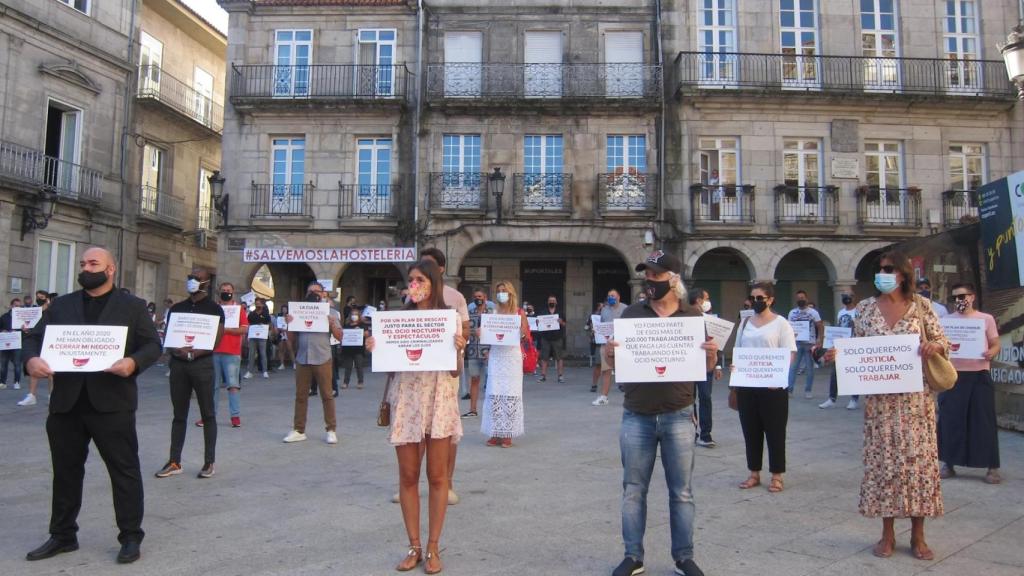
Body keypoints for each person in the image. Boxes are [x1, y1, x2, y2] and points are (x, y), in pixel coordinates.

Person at [22, 247, 161, 564]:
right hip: (67, 405)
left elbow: (153, 344)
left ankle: (129, 537)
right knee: (65, 473)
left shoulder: (132, 306)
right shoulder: (62, 305)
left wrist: (132, 362)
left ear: (110, 269)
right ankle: (62, 535)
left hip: (112, 404)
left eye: (93, 263)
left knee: (124, 472)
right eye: (83, 263)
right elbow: (34, 338)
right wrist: (31, 359)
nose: (86, 268)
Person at [825, 249, 947, 560]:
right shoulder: (865, 309)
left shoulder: (922, 307)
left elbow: (942, 341)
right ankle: (887, 534)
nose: (883, 274)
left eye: (890, 268)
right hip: (879, 405)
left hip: (917, 403)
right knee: (883, 467)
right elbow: (855, 348)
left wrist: (935, 346)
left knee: (918, 467)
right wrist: (837, 355)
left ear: (904, 273)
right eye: (880, 269)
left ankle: (919, 535)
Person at [603, 250, 717, 576]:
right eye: (647, 275)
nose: (650, 281)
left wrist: (711, 355)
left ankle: (684, 557)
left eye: (656, 275)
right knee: (633, 490)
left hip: (679, 414)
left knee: (681, 492)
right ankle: (633, 556)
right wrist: (609, 353)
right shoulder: (631, 315)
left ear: (674, 279)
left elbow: (705, 369)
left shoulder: (693, 316)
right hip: (636, 414)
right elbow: (616, 364)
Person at [366, 259, 466, 575]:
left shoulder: (449, 320)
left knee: (438, 477)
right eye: (411, 280)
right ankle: (414, 546)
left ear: (434, 283)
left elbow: (455, 371)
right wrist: (375, 348)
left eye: (420, 279)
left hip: (439, 398)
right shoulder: (399, 319)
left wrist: (459, 349)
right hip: (408, 399)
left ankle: (434, 546)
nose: (414, 285)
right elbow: (390, 367)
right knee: (408, 477)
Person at [155, 267, 225, 480]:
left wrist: (196, 353)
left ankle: (209, 461)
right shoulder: (177, 308)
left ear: (205, 283)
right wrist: (179, 351)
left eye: (197, 278)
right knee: (179, 414)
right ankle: (174, 460)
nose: (192, 281)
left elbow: (216, 339)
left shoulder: (215, 309)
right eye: (189, 278)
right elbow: (169, 336)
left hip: (202, 365)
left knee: (208, 413)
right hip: (179, 366)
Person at [731, 283, 797, 493]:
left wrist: (778, 375)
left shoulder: (781, 323)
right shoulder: (745, 323)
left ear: (770, 300)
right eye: (753, 297)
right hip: (748, 384)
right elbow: (739, 349)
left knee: (775, 431)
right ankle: (754, 472)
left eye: (760, 298)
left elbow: (790, 353)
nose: (756, 301)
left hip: (773, 386)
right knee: (751, 430)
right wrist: (735, 372)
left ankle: (777, 475)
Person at [938, 282, 1002, 484]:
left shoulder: (985, 319)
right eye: (955, 297)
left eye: (963, 296)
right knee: (950, 420)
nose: (959, 300)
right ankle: (948, 463)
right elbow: (939, 344)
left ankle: (992, 467)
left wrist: (992, 352)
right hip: (953, 375)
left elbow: (995, 343)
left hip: (979, 374)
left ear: (972, 297)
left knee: (984, 421)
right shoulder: (945, 321)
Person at [420, 247, 470, 506]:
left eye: (428, 266)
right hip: (416, 375)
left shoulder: (455, 297)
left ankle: (447, 483)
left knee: (446, 429)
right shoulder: (413, 297)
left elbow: (465, 328)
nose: (422, 272)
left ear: (440, 269)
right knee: (414, 429)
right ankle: (409, 482)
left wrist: (459, 341)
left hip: (445, 372)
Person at [283, 281, 342, 445]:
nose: (313, 294)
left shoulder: (332, 313)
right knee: (301, 395)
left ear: (323, 294)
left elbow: (340, 336)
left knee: (327, 395)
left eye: (317, 291)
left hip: (322, 356)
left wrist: (331, 324)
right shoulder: (298, 311)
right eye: (310, 291)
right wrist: (290, 323)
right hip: (303, 357)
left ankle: (331, 429)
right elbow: (291, 338)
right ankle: (298, 429)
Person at [481, 281, 529, 447]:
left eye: (504, 290)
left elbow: (526, 335)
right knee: (494, 393)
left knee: (510, 394)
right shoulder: (493, 311)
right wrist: (483, 335)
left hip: (512, 357)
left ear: (511, 293)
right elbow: (487, 332)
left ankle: (507, 433)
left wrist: (521, 332)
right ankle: (495, 432)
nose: (501, 293)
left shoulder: (518, 312)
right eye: (499, 291)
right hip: (496, 355)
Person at [206, 282, 248, 428]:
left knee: (233, 385)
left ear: (233, 292)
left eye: (228, 290)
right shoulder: (213, 308)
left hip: (232, 352)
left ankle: (235, 416)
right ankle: (210, 416)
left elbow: (244, 329)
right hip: (214, 351)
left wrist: (227, 330)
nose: (226, 292)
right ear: (219, 292)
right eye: (223, 290)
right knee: (213, 386)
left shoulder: (238, 309)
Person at [687, 288, 723, 446]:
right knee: (689, 400)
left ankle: (706, 433)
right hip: (688, 365)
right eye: (706, 298)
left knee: (706, 398)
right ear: (698, 300)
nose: (709, 301)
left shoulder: (710, 320)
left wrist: (719, 365)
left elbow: (718, 343)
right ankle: (692, 431)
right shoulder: (684, 318)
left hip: (706, 365)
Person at [820, 293, 860, 410]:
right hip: (841, 345)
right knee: (835, 373)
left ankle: (854, 399)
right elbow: (838, 327)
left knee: (853, 373)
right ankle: (831, 398)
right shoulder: (841, 312)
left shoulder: (858, 312)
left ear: (854, 298)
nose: (846, 298)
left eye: (849, 296)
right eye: (844, 296)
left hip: (853, 345)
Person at [462, 289, 495, 418]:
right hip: (474, 351)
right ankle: (473, 409)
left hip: (489, 352)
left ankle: (492, 411)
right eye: (475, 296)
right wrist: (470, 333)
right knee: (474, 379)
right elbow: (464, 330)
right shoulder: (469, 313)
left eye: (480, 296)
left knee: (492, 382)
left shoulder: (493, 313)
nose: (478, 298)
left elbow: (497, 332)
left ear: (485, 297)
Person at [592, 290, 628, 405]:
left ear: (618, 296)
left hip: (621, 344)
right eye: (608, 296)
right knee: (606, 370)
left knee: (626, 371)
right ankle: (604, 397)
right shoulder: (604, 309)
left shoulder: (625, 308)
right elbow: (602, 325)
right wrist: (596, 330)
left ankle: (632, 397)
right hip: (606, 344)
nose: (610, 297)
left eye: (612, 295)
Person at [786, 289, 823, 398]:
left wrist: (820, 339)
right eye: (798, 298)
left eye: (802, 298)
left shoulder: (813, 312)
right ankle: (789, 390)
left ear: (806, 299)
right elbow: (789, 327)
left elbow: (820, 326)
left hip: (809, 344)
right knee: (793, 367)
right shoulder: (792, 312)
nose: (800, 300)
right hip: (795, 343)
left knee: (809, 368)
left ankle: (808, 390)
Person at [19, 291, 52, 406]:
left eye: (41, 297)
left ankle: (51, 395)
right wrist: (26, 329)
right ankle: (31, 395)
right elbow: (29, 326)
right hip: (35, 341)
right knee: (34, 367)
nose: (39, 299)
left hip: (48, 340)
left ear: (47, 298)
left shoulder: (51, 310)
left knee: (51, 369)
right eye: (37, 297)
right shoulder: (34, 312)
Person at [537, 295, 567, 383]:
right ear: (548, 302)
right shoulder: (543, 312)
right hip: (545, 338)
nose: (552, 302)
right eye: (550, 300)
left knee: (559, 357)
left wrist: (561, 322)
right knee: (544, 358)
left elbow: (565, 324)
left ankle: (560, 376)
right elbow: (538, 323)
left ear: (556, 302)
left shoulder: (560, 312)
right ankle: (543, 376)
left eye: (553, 300)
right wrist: (538, 322)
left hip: (557, 338)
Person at [339, 308, 368, 390]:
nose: (354, 316)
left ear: (359, 316)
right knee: (348, 367)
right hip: (348, 350)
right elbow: (343, 335)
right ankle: (345, 382)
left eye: (356, 315)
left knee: (359, 366)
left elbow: (367, 335)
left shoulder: (362, 325)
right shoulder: (347, 325)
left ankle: (360, 382)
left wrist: (360, 332)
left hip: (358, 349)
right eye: (352, 314)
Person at [244, 298, 273, 379]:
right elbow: (248, 324)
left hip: (262, 337)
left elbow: (270, 326)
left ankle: (265, 371)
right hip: (253, 336)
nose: (257, 305)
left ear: (263, 305)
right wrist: (247, 336)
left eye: (259, 303)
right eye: (256, 303)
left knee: (263, 353)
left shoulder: (266, 314)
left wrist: (264, 326)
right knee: (251, 354)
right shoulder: (251, 314)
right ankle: (249, 371)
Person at [0, 298, 24, 391]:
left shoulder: (22, 317)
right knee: (3, 364)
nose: (17, 307)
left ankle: (16, 382)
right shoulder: (4, 317)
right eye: (15, 305)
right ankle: (2, 382)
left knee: (17, 364)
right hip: (5, 343)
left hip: (17, 344)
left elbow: (26, 330)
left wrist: (19, 331)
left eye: (19, 306)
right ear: (11, 306)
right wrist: (3, 330)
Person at [587, 301, 604, 386]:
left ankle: (621, 385)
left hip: (609, 341)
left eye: (603, 307)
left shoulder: (608, 315)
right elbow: (586, 326)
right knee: (598, 364)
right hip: (597, 341)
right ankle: (594, 384)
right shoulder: (592, 316)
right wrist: (590, 328)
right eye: (600, 307)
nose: (602, 308)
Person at [275, 304, 295, 370]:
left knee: (290, 348)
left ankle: (294, 363)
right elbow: (277, 325)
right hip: (281, 333)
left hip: (288, 333)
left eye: (285, 309)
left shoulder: (290, 316)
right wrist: (279, 329)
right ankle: (282, 364)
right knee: (281, 349)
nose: (284, 310)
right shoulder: (279, 316)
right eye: (283, 309)